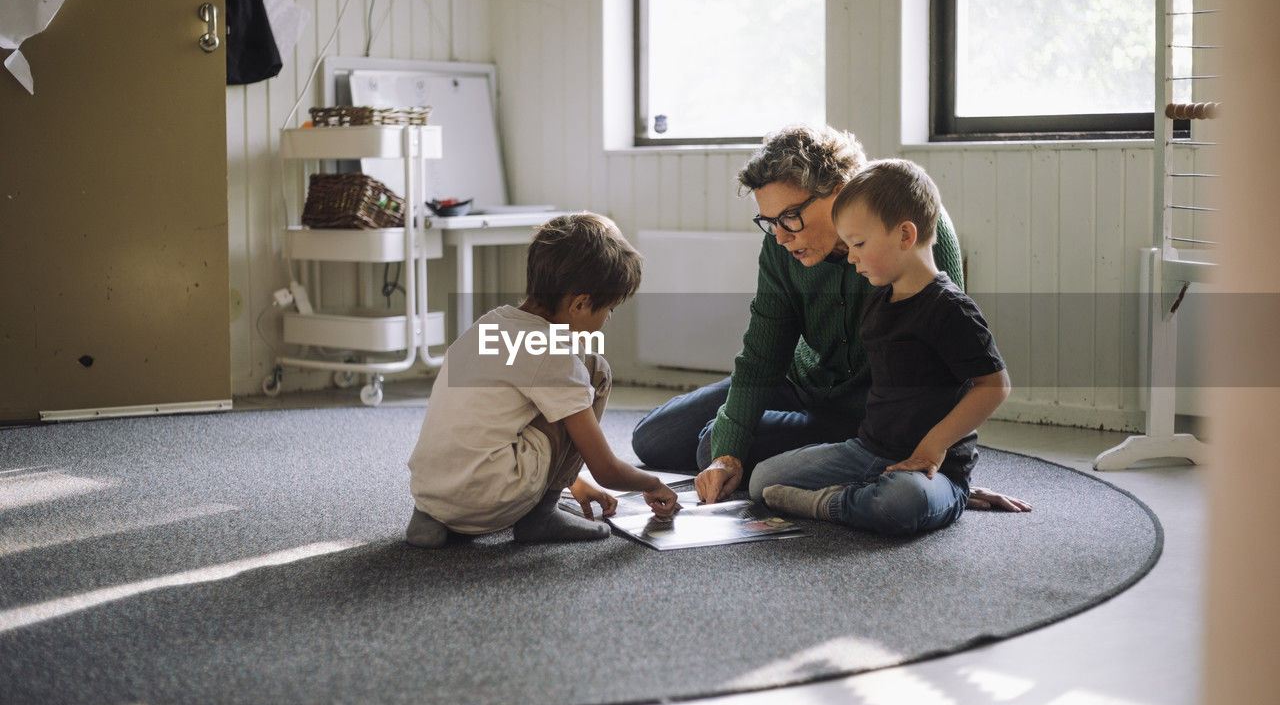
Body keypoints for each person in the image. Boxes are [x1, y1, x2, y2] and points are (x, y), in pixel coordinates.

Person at [629, 124, 1024, 513]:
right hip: (800, 383)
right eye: (769, 222)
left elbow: (951, 370)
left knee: (708, 443)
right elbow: (762, 356)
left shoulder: (908, 235)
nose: (780, 237)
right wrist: (727, 456)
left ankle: (875, 477)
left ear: (838, 190)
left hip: (870, 416)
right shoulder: (780, 246)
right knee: (655, 441)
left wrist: (937, 467)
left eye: (790, 217)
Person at [756, 159, 1023, 534]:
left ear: (905, 236)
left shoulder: (951, 310)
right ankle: (863, 493)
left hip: (932, 467)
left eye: (859, 244)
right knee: (760, 480)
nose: (850, 257)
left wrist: (932, 447)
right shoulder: (879, 301)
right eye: (848, 245)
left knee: (901, 502)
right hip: (869, 451)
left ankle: (830, 504)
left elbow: (995, 385)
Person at [406, 212, 680, 548]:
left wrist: (573, 482)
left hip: (431, 491)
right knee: (595, 371)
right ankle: (541, 514)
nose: (608, 319)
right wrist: (651, 483)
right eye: (610, 309)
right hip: (490, 499)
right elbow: (606, 470)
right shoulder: (555, 356)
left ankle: (430, 518)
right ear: (579, 304)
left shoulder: (488, 325)